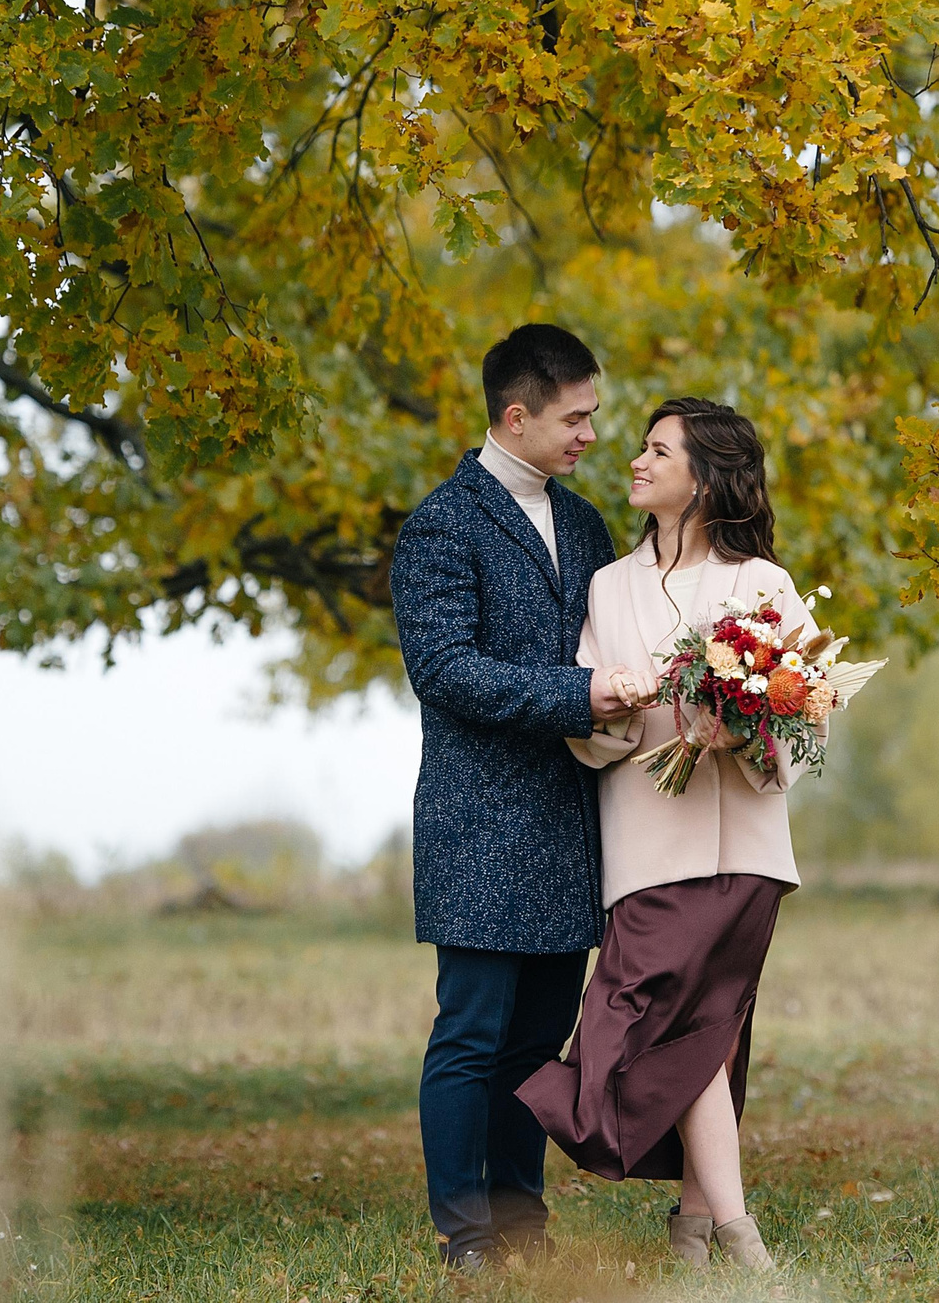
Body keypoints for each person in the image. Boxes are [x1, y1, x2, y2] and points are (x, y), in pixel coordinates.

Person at [517, 398, 824, 1273]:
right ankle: (736, 1234)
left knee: (711, 1033)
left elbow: (809, 712)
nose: (637, 462)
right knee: (670, 1032)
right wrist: (611, 703)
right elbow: (586, 723)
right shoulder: (607, 587)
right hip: (649, 851)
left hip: (748, 852)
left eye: (658, 451)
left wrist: (744, 732)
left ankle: (700, 1227)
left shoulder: (764, 584)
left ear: (704, 478)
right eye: (642, 448)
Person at [389, 324, 646, 1271]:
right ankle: (465, 1237)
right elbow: (445, 670)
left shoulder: (584, 525)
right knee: (471, 1034)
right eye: (575, 418)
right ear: (516, 416)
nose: (590, 434)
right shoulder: (440, 525)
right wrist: (579, 695)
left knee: (540, 1038)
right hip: (480, 824)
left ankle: (523, 1225)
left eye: (593, 415)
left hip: (570, 821)